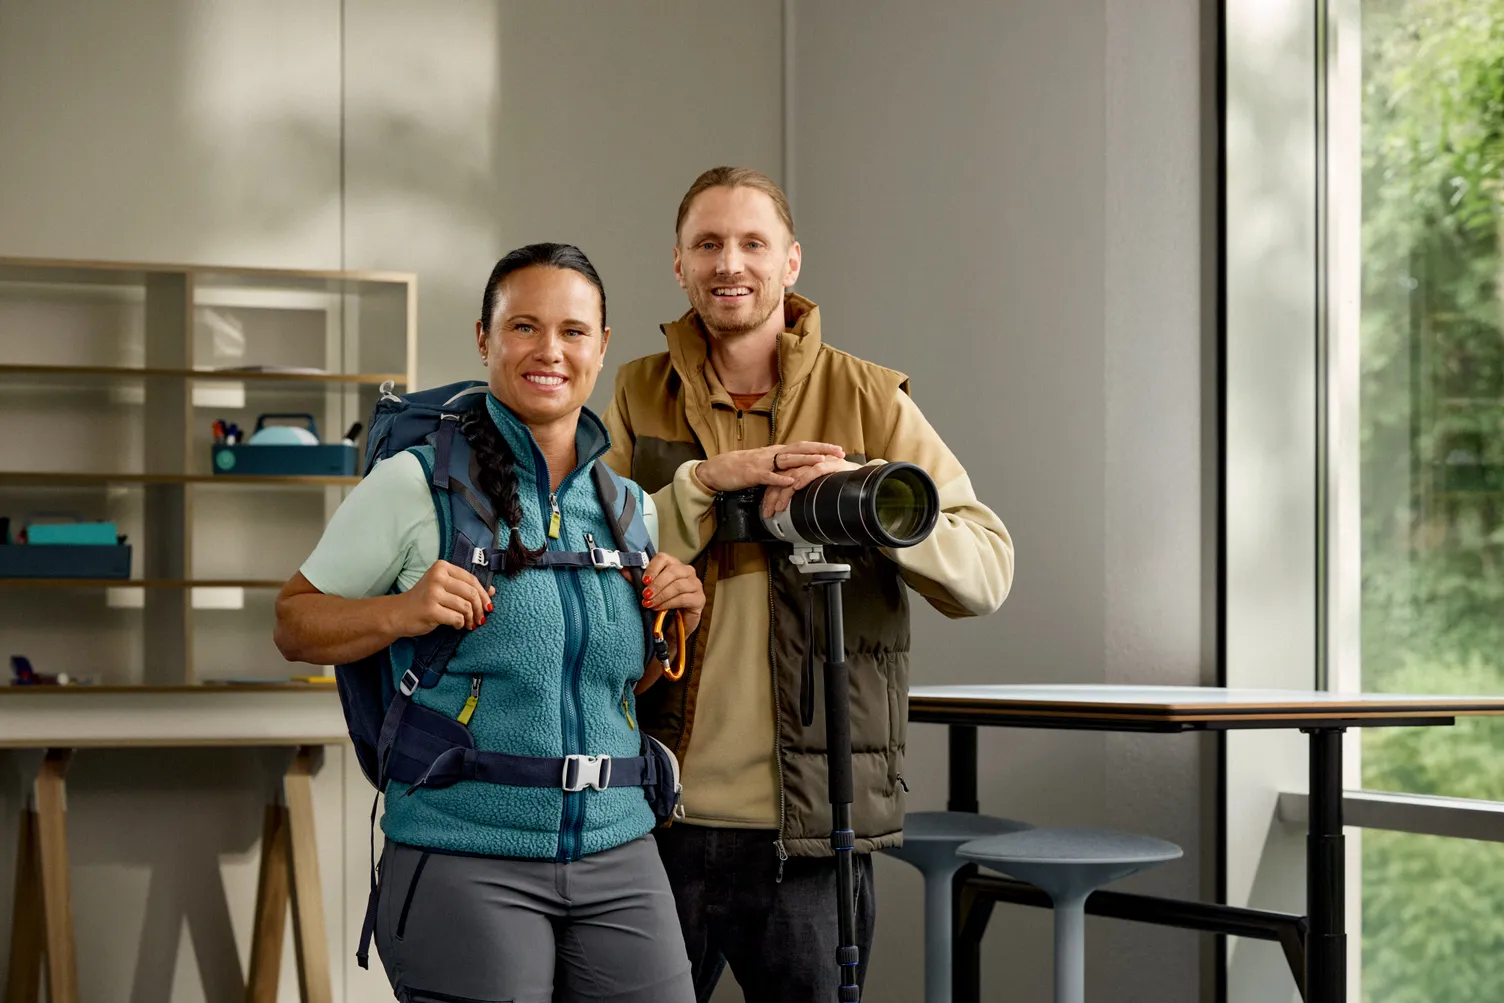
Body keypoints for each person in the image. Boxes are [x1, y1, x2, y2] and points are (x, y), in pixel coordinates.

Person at [601, 167, 1016, 1001]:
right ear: (678, 264)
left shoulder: (869, 398)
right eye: (708, 244)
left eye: (753, 243)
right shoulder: (637, 391)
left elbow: (986, 570)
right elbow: (586, 552)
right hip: (653, 810)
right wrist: (700, 487)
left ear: (791, 262)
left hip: (814, 829)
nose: (730, 263)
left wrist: (872, 503)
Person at [273, 243, 704, 1003]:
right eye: (524, 327)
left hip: (620, 850)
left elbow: (610, 688)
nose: (550, 351)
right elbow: (294, 622)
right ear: (485, 338)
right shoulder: (414, 484)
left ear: (602, 345)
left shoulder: (629, 507)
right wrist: (400, 611)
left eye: (574, 331)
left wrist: (678, 624)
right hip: (465, 850)